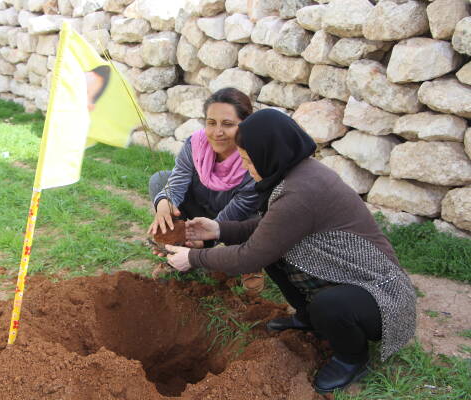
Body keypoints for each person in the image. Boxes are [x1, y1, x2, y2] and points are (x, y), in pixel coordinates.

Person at [157, 109, 416, 393]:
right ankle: (310, 318)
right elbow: (270, 229)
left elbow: (249, 257)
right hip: (348, 275)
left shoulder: (299, 192)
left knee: (329, 305)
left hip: (381, 294)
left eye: (248, 160)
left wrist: (193, 258)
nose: (247, 168)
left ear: (269, 153)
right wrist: (218, 229)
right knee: (274, 254)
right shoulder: (297, 173)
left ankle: (351, 358)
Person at [147, 87, 264, 294]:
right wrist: (164, 203)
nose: (217, 132)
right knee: (160, 181)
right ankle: (177, 249)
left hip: (234, 219)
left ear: (244, 125)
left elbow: (237, 210)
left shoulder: (253, 158)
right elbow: (177, 180)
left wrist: (206, 240)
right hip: (200, 207)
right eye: (211, 123)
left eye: (227, 124)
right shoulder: (195, 144)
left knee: (258, 215)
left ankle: (249, 262)